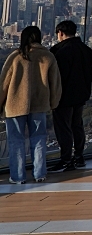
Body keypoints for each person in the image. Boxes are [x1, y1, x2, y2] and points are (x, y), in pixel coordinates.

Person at [1, 26, 62, 184]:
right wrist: (53, 103)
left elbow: (3, 84)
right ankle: (39, 173)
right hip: (39, 104)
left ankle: (18, 176)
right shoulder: (48, 57)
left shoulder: (15, 57)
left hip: (14, 106)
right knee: (39, 139)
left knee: (15, 141)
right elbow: (55, 85)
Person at [48, 19, 92, 172]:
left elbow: (57, 77)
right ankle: (79, 156)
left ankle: (66, 159)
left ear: (60, 33)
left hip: (63, 96)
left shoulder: (59, 52)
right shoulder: (87, 50)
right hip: (81, 95)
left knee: (63, 127)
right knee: (77, 125)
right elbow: (90, 74)